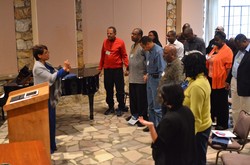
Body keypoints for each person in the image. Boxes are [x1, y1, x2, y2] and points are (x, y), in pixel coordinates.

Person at [138, 83, 196, 165]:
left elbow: (158, 143)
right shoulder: (187, 111)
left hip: (172, 159)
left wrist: (151, 126)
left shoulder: (169, 120)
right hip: (187, 157)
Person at [32, 44, 71, 154]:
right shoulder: (38, 67)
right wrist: (63, 69)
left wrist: (66, 71)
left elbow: (56, 74)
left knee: (52, 121)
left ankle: (52, 145)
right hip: (43, 98)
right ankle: (47, 146)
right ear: (39, 55)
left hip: (49, 96)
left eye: (48, 52)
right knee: (47, 122)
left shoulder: (46, 64)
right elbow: (51, 78)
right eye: (45, 53)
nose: (48, 54)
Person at [182, 51, 212, 165]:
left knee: (196, 160)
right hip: (199, 127)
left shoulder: (197, 86)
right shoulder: (196, 79)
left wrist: (188, 138)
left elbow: (196, 116)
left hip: (198, 131)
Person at [98, 26, 129, 117]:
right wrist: (100, 68)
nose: (109, 35)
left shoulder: (120, 42)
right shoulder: (105, 42)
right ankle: (110, 106)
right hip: (107, 70)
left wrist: (127, 67)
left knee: (120, 89)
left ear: (115, 33)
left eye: (110, 33)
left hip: (117, 70)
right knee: (108, 89)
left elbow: (124, 55)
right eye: (107, 33)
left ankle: (121, 106)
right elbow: (103, 56)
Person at [206, 31, 233, 130]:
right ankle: (213, 121)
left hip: (221, 81)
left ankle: (223, 124)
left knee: (222, 103)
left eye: (217, 40)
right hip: (211, 79)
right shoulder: (214, 49)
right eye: (215, 39)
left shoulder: (228, 51)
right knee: (213, 101)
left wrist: (227, 81)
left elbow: (229, 68)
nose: (215, 41)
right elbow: (209, 59)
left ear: (223, 40)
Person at [140, 36, 166, 132]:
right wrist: (147, 74)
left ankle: (159, 128)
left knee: (157, 107)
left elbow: (162, 71)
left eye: (143, 47)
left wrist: (160, 86)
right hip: (150, 79)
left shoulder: (159, 52)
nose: (143, 49)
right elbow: (149, 65)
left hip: (157, 81)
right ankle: (152, 125)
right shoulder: (149, 52)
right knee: (150, 105)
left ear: (148, 44)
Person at [125, 28, 148, 126]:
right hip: (132, 78)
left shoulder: (143, 46)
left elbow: (147, 60)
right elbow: (131, 59)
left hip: (140, 78)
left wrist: (147, 73)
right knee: (133, 99)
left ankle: (142, 117)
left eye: (134, 34)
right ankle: (134, 115)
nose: (132, 35)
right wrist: (127, 69)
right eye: (132, 33)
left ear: (140, 36)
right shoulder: (132, 46)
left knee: (141, 100)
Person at [225, 34, 250, 124]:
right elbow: (233, 66)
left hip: (246, 84)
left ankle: (247, 133)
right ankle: (236, 129)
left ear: (245, 41)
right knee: (235, 108)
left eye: (239, 45)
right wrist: (228, 80)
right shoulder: (238, 50)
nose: (238, 47)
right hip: (234, 80)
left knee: (246, 110)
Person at [158, 44, 185, 115]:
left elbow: (179, 82)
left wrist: (171, 99)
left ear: (172, 54)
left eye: (165, 53)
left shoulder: (178, 65)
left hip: (171, 101)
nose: (163, 55)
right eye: (163, 52)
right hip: (165, 99)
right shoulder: (169, 64)